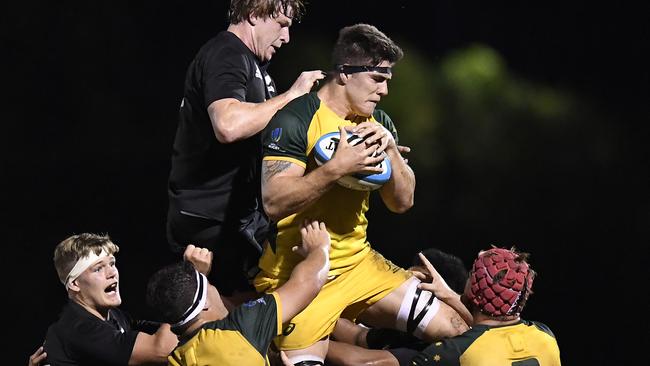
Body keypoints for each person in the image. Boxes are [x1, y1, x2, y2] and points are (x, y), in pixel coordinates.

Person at [255, 23, 469, 365]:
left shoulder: (377, 121)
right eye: (377, 78)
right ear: (344, 73)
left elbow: (402, 203)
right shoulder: (296, 118)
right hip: (300, 274)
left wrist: (393, 153)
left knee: (458, 332)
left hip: (359, 265)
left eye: (388, 80)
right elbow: (273, 202)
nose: (384, 91)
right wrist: (335, 167)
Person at [166, 0, 325, 306]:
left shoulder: (254, 67)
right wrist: (292, 96)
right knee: (255, 316)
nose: (286, 37)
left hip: (238, 219)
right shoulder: (226, 54)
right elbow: (228, 124)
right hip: (211, 224)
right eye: (282, 24)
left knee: (280, 308)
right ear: (254, 14)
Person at [146, 219, 331, 366]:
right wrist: (319, 248)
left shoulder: (177, 359)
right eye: (211, 287)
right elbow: (308, 282)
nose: (216, 291)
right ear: (205, 304)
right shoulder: (240, 328)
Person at [39, 233, 185, 365]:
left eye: (112, 263)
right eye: (98, 268)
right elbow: (161, 350)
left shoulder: (114, 316)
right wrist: (190, 282)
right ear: (74, 284)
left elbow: (172, 330)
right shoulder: (78, 328)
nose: (112, 273)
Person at [410, 247, 562, 365]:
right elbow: (491, 328)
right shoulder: (546, 336)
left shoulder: (451, 353)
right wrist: (449, 295)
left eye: (471, 275)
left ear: (475, 291)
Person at [326, 248, 470, 366]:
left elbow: (362, 362)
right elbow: (358, 337)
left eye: (414, 283)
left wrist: (309, 338)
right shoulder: (402, 331)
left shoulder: (445, 346)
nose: (402, 284)